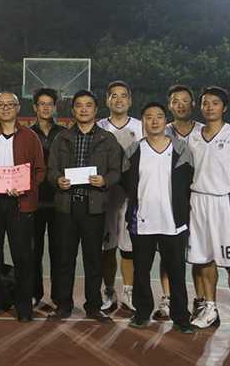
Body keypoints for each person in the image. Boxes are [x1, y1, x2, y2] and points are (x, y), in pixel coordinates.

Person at [47, 89, 123, 324]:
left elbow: (116, 171)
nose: (83, 109)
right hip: (66, 207)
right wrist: (57, 180)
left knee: (93, 260)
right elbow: (51, 169)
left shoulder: (107, 139)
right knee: (65, 260)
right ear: (73, 110)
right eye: (79, 105)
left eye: (88, 105)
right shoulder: (62, 138)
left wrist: (104, 181)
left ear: (96, 109)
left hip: (93, 207)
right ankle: (63, 305)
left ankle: (93, 306)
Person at [122, 102, 194, 333]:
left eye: (159, 116)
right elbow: (125, 180)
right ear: (143, 121)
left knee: (176, 272)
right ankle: (142, 312)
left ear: (165, 121)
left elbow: (188, 180)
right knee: (141, 271)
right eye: (149, 117)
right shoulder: (134, 150)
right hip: (142, 221)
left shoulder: (181, 149)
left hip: (173, 222)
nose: (154, 121)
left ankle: (181, 317)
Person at [187, 86, 230, 341]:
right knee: (205, 259)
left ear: (224, 107)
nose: (210, 107)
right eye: (205, 103)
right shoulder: (193, 135)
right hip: (197, 201)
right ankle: (210, 308)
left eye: (215, 103)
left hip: (225, 202)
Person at [0, 91, 46, 322]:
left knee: (23, 257)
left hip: (21, 204)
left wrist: (26, 187)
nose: (6, 108)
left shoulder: (30, 136)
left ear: (18, 108)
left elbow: (40, 169)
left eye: (10, 104)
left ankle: (24, 306)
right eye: (1, 105)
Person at [153, 84, 206, 320]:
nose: (180, 105)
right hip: (170, 200)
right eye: (176, 101)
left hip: (200, 199)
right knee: (168, 251)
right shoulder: (162, 131)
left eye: (185, 100)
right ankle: (167, 298)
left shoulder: (205, 131)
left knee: (199, 252)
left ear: (193, 104)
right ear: (170, 105)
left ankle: (200, 300)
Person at [96, 81, 142, 313]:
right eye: (114, 96)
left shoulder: (141, 127)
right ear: (107, 101)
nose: (119, 100)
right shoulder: (99, 127)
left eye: (123, 95)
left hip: (131, 196)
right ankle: (109, 291)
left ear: (130, 101)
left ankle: (129, 291)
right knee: (107, 247)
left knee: (128, 247)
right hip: (105, 195)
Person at [29, 87, 66, 306]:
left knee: (59, 253)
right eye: (41, 104)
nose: (45, 108)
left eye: (49, 104)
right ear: (35, 107)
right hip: (33, 202)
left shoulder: (64, 133)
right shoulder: (27, 134)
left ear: (55, 107)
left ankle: (59, 295)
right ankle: (34, 293)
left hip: (59, 202)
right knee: (33, 252)